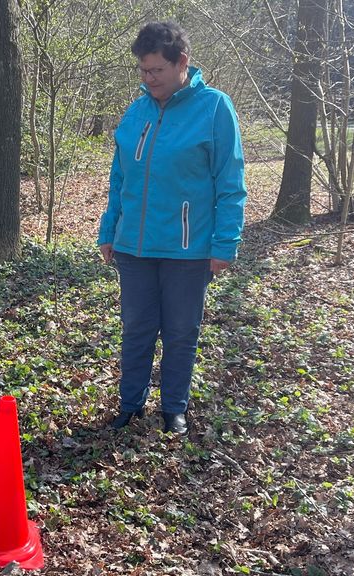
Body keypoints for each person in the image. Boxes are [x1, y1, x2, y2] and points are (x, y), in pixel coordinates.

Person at [98, 22, 246, 434]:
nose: (149, 80)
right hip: (134, 248)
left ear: (182, 62)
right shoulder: (137, 108)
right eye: (143, 72)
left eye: (156, 71)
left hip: (188, 249)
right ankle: (130, 405)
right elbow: (120, 176)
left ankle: (173, 409)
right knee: (137, 330)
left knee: (181, 332)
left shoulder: (215, 108)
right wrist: (109, 229)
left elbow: (230, 183)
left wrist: (225, 243)